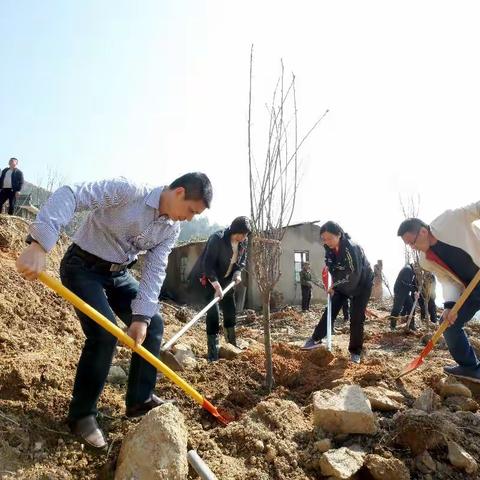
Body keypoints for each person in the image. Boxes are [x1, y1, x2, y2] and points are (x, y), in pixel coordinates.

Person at [16, 173, 212, 448]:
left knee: (153, 324)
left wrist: (141, 318)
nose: (190, 218)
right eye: (191, 211)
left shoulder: (170, 229)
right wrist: (39, 245)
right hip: (82, 266)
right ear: (179, 192)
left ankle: (139, 400)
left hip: (118, 274)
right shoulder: (128, 190)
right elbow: (71, 193)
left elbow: (156, 271)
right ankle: (82, 415)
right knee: (103, 334)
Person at [398, 206, 480, 383]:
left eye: (412, 242)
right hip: (473, 289)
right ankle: (470, 367)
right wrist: (450, 306)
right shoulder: (425, 260)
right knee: (448, 323)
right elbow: (447, 280)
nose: (412, 247)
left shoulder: (449, 220)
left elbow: (476, 209)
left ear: (422, 231)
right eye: (408, 245)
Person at [302, 221, 373, 364]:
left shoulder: (352, 249)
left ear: (339, 235)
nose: (327, 242)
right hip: (341, 282)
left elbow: (353, 274)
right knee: (331, 309)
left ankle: (355, 352)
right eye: (324, 239)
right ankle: (315, 338)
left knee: (356, 317)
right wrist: (331, 272)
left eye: (329, 238)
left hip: (361, 284)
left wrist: (334, 285)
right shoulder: (329, 248)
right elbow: (330, 264)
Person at [189, 216, 250, 361]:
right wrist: (216, 285)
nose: (245, 237)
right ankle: (213, 353)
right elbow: (207, 265)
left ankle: (231, 346)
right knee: (213, 314)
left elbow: (242, 260)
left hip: (227, 279)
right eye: (243, 234)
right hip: (208, 279)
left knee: (230, 310)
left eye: (246, 234)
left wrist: (237, 272)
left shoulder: (243, 242)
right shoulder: (217, 239)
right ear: (236, 231)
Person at [388, 263, 418, 331]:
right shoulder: (408, 269)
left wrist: (415, 290)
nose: (417, 270)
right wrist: (415, 291)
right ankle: (392, 326)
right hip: (400, 291)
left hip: (405, 292)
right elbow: (405, 283)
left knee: (411, 305)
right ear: (413, 265)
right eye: (416, 268)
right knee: (397, 308)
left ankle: (411, 324)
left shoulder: (410, 270)